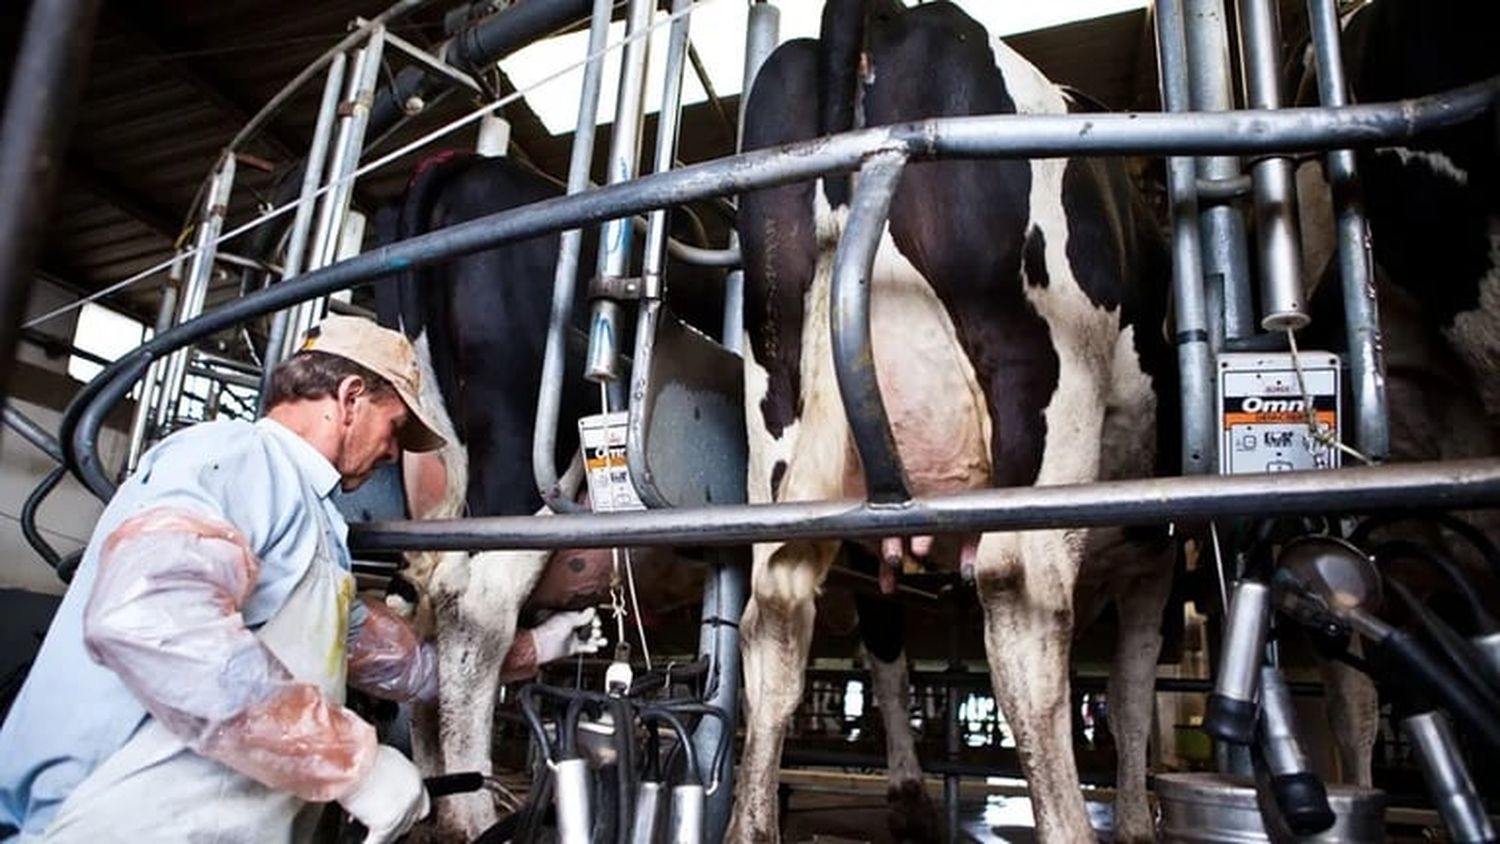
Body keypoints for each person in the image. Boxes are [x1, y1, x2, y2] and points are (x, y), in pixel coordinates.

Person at [0, 316, 599, 843]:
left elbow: (406, 669)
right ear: (350, 397)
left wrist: (538, 648)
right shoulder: (235, 459)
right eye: (394, 429)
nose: (394, 454)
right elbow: (152, 621)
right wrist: (350, 762)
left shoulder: (317, 529)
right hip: (109, 821)